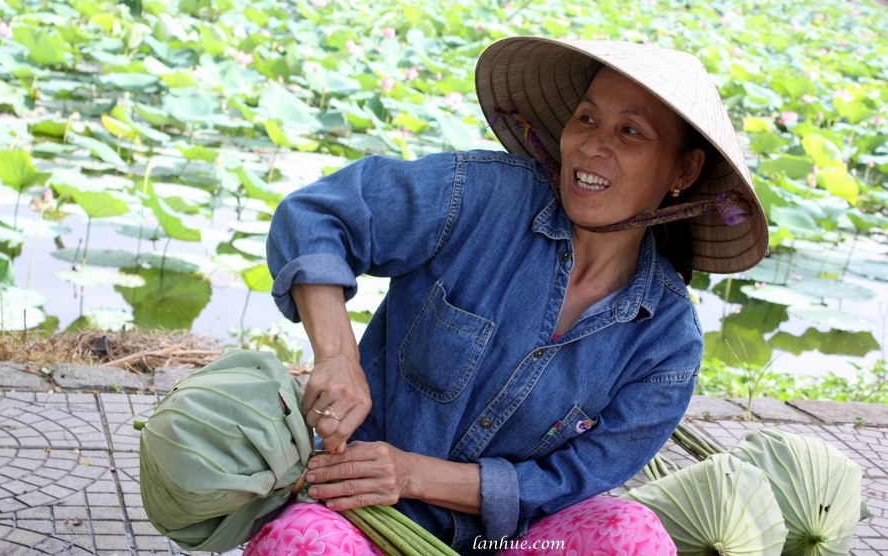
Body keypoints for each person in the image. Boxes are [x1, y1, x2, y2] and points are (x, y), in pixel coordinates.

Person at [249, 36, 768, 555]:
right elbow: (317, 215)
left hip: (505, 544)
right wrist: (337, 357)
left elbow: (569, 479)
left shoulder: (667, 344)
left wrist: (410, 474)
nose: (591, 147)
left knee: (635, 538)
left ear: (685, 171)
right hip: (358, 516)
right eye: (586, 119)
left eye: (630, 131)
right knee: (300, 542)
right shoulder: (479, 196)